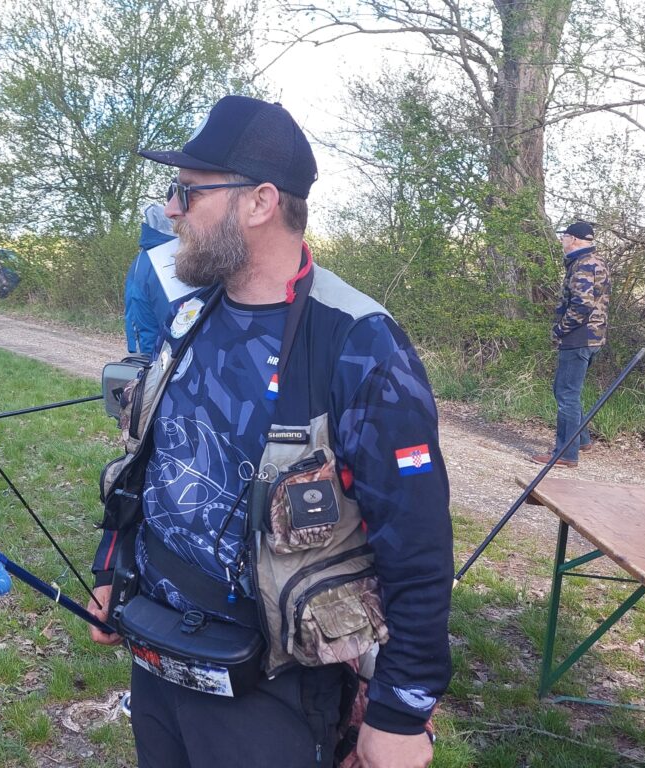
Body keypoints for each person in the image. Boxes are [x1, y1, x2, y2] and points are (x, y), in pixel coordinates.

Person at [87, 96, 453, 768]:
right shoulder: (188, 317)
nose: (171, 210)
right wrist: (111, 567)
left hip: (273, 687)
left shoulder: (361, 344)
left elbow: (419, 545)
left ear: (259, 202)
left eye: (188, 191)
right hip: (158, 650)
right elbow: (147, 459)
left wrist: (401, 710)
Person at [530, 220, 610, 468]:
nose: (561, 241)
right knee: (567, 390)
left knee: (566, 394)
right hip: (593, 337)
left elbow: (582, 305)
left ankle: (565, 454)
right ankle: (581, 440)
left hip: (578, 337)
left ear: (573, 239)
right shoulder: (596, 261)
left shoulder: (583, 264)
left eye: (564, 237)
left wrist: (560, 329)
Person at [123, 203, 191, 355]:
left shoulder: (142, 261)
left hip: (151, 347)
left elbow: (136, 309)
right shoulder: (180, 256)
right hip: (176, 347)